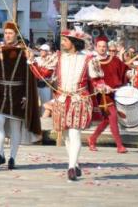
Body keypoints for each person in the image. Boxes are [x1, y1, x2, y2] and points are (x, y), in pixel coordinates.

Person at [29, 30, 109, 181]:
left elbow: (97, 79)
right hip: (61, 99)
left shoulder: (88, 59)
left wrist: (101, 86)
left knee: (74, 133)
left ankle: (71, 167)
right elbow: (43, 73)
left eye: (65, 40)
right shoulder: (58, 58)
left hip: (79, 99)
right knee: (66, 135)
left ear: (74, 42)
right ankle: (75, 163)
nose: (63, 43)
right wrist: (32, 61)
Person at [0, 21, 42, 170]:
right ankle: (0, 154)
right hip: (0, 92)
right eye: (6, 33)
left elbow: (29, 76)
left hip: (18, 92)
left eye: (10, 33)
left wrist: (27, 96)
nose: (7, 35)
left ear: (16, 35)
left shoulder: (24, 52)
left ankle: (12, 157)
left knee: (15, 127)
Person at [88, 35, 129, 153]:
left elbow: (124, 71)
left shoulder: (114, 59)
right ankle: (120, 146)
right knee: (113, 116)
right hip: (102, 95)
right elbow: (94, 80)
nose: (102, 48)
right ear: (96, 47)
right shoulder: (93, 62)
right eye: (100, 46)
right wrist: (104, 87)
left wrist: (131, 73)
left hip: (115, 93)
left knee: (107, 120)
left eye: (104, 46)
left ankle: (92, 138)